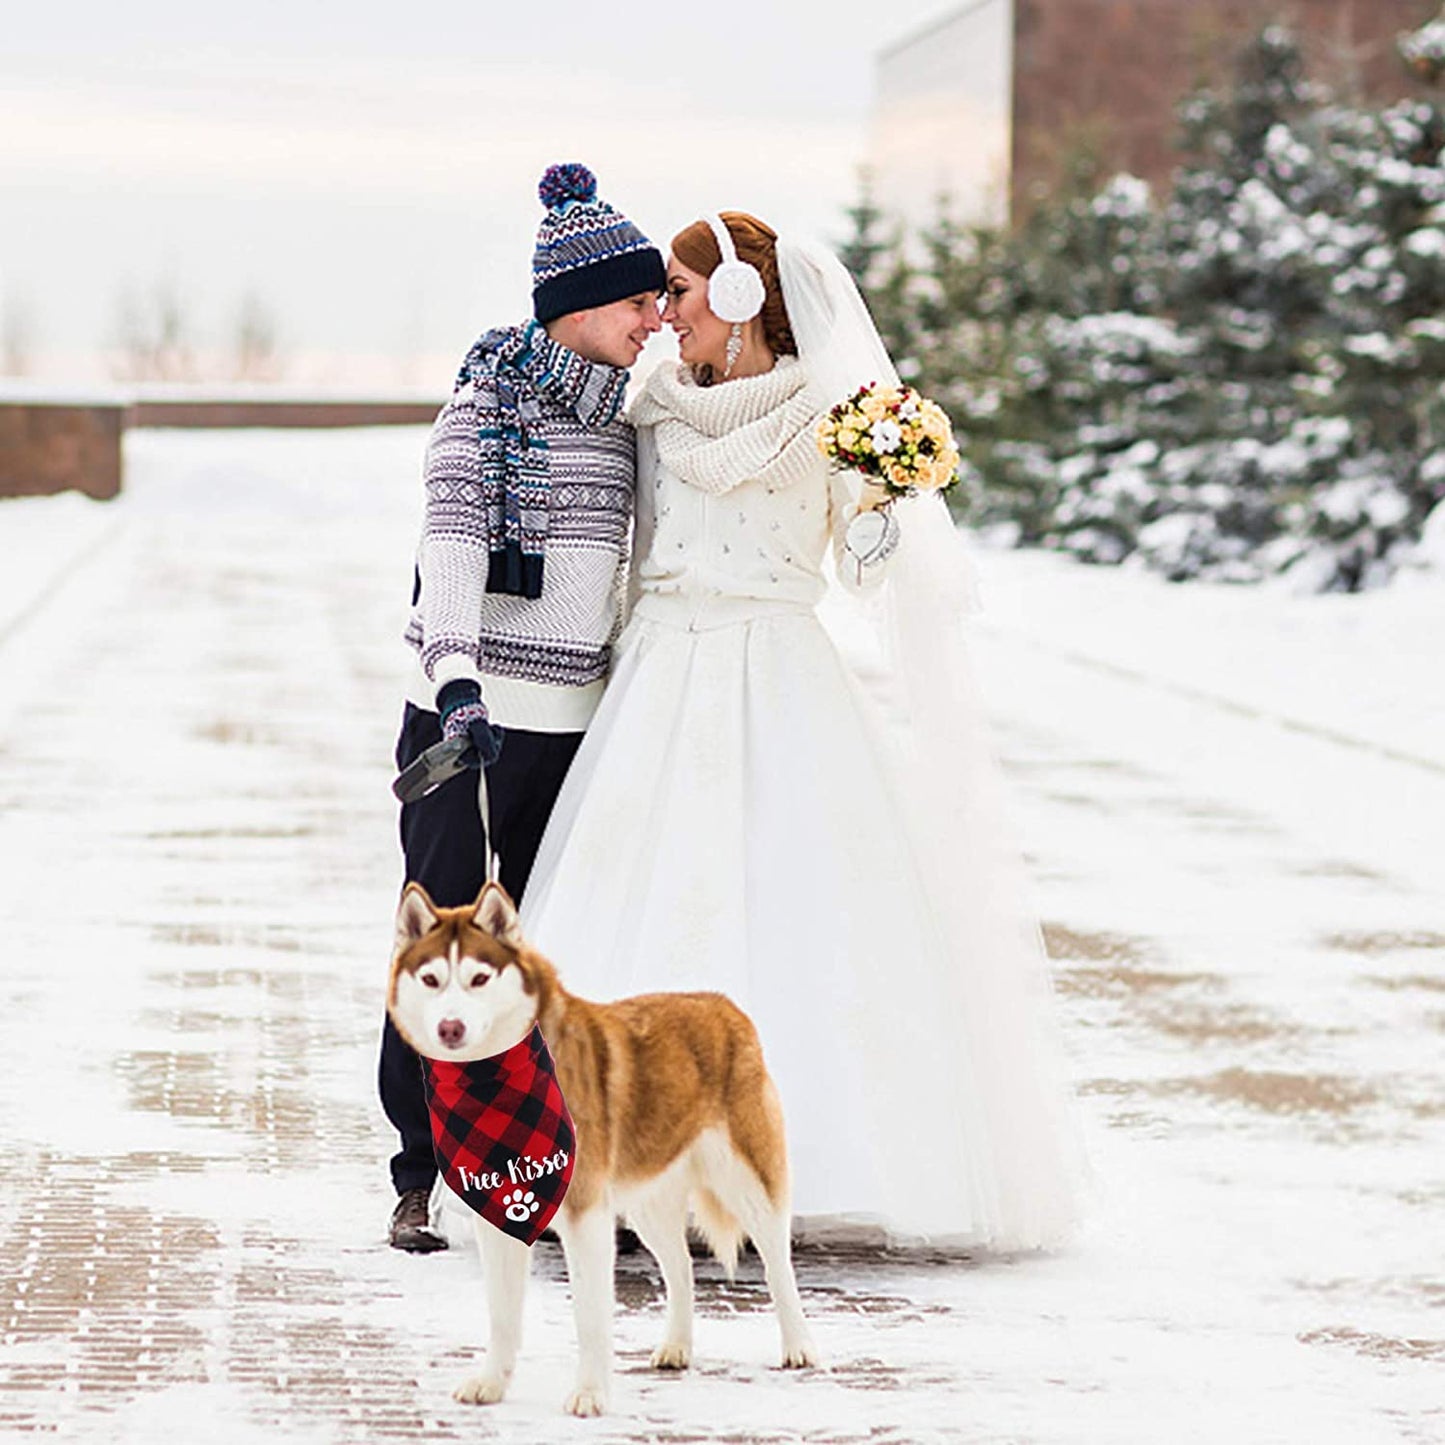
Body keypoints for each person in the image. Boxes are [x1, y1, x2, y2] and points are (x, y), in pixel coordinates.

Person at [518, 212, 1086, 1249]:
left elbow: (864, 576)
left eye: (678, 290)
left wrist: (884, 499)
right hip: (659, 677)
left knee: (808, 916)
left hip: (780, 672)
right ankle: (615, 1161)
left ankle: (799, 1165)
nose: (663, 313)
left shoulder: (833, 416)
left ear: (739, 296)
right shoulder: (652, 409)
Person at [380, 163, 665, 1252]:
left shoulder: (624, 423)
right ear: (579, 307)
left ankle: (534, 1158)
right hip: (468, 726)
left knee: (548, 951)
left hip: (575, 725)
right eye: (637, 301)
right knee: (444, 949)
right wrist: (458, 687)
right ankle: (419, 1169)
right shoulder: (479, 415)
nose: (653, 319)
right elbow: (452, 557)